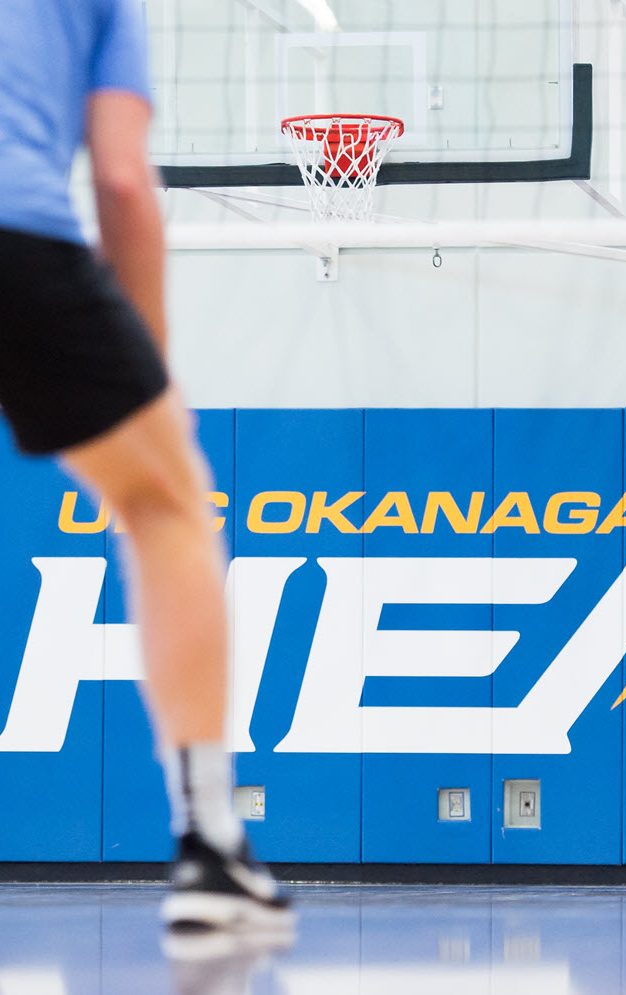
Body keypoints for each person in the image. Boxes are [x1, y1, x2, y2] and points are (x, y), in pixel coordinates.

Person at [0, 0, 292, 931]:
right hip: (19, 236)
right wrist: (151, 374)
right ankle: (210, 845)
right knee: (166, 504)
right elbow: (122, 182)